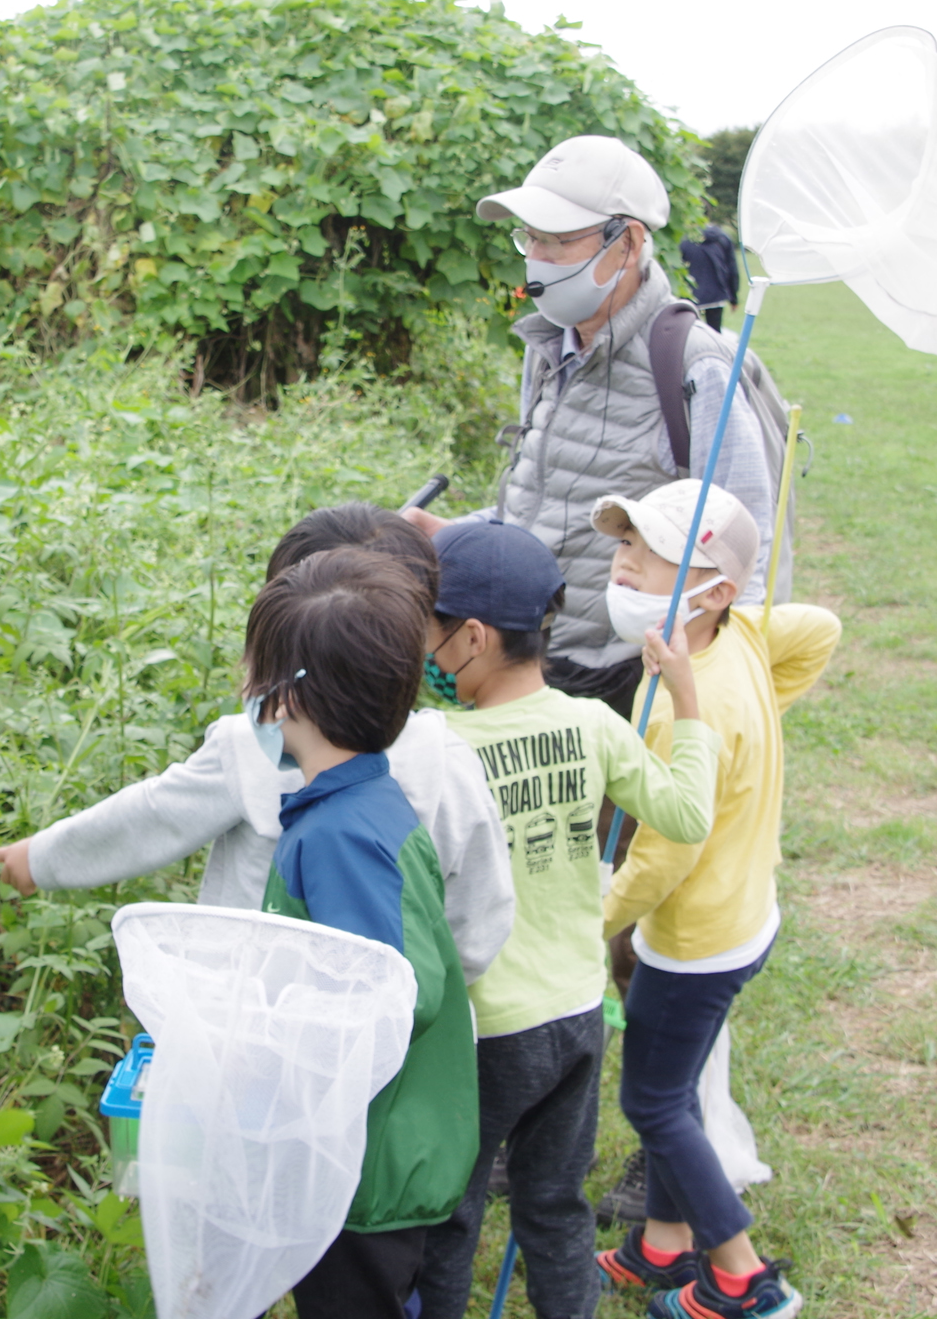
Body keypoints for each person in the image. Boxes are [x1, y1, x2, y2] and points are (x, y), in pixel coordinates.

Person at [0, 503, 515, 982]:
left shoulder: (249, 745)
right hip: (389, 1040)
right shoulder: (448, 759)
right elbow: (478, 921)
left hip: (251, 1017)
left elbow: (154, 815)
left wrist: (39, 857)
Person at [413, 522, 718, 1319]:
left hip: (485, 1031)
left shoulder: (435, 745)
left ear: (472, 636)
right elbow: (686, 813)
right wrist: (687, 695)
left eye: (429, 632)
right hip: (580, 1016)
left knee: (451, 1214)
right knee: (555, 1206)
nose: (424, 651)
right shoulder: (592, 724)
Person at [405, 137, 784, 724]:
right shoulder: (548, 346)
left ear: (627, 243)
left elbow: (748, 546)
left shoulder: (694, 366)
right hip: (530, 658)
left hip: (625, 675)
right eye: (529, 238)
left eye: (557, 241)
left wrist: (716, 687)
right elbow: (551, 494)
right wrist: (457, 533)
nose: (536, 257)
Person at [592, 482, 841, 1319]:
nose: (623, 567)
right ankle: (663, 1244)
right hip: (745, 916)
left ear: (715, 590)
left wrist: (590, 922)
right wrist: (767, 684)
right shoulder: (737, 643)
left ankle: (740, 1274)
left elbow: (661, 859)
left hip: (692, 940)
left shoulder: (683, 708)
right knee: (677, 1084)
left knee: (653, 1100)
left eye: (652, 558)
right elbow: (822, 628)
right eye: (623, 547)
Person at [245, 549, 479, 1318]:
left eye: (256, 670)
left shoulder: (341, 836)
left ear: (289, 697)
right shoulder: (360, 800)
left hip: (366, 1167)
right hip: (377, 1148)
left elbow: (400, 994)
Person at [681, 224, 740, 332]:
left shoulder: (684, 238)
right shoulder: (723, 238)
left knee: (690, 335)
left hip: (691, 295)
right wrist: (733, 299)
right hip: (716, 294)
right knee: (715, 334)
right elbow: (732, 269)